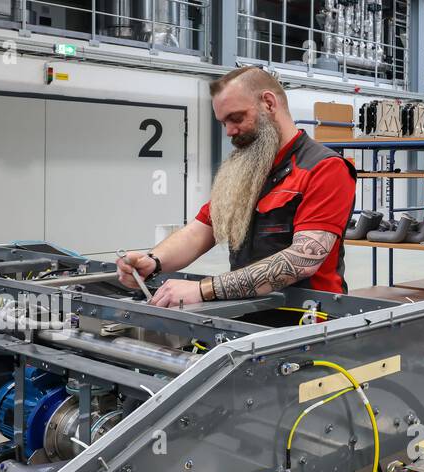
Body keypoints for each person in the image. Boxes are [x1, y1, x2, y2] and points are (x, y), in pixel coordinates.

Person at [117, 66, 357, 307]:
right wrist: (153, 261)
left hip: (308, 320)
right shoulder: (246, 171)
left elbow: (301, 261)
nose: (229, 131)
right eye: (223, 122)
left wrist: (204, 289)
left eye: (236, 118)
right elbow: (199, 232)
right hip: (248, 311)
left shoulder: (324, 168)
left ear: (269, 104)